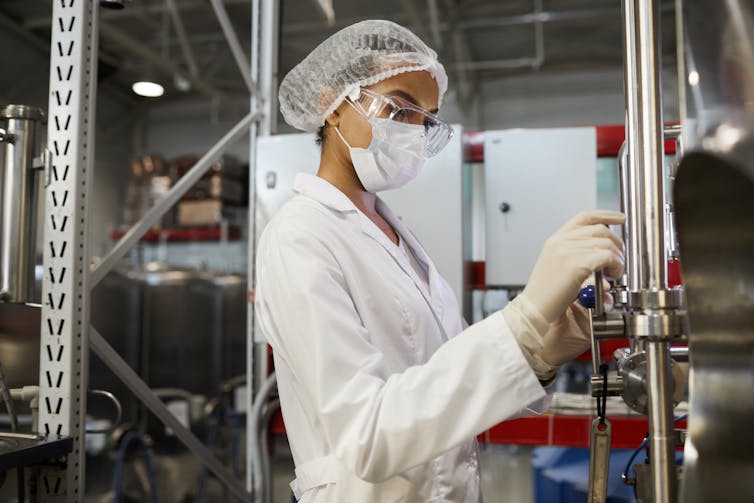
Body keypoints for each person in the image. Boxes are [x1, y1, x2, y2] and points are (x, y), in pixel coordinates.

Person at [254, 19, 625, 503]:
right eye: (400, 106)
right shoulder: (300, 235)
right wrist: (524, 319)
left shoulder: (399, 236)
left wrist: (541, 354)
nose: (412, 130)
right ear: (332, 105)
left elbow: (449, 388)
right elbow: (364, 434)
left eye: (426, 118)